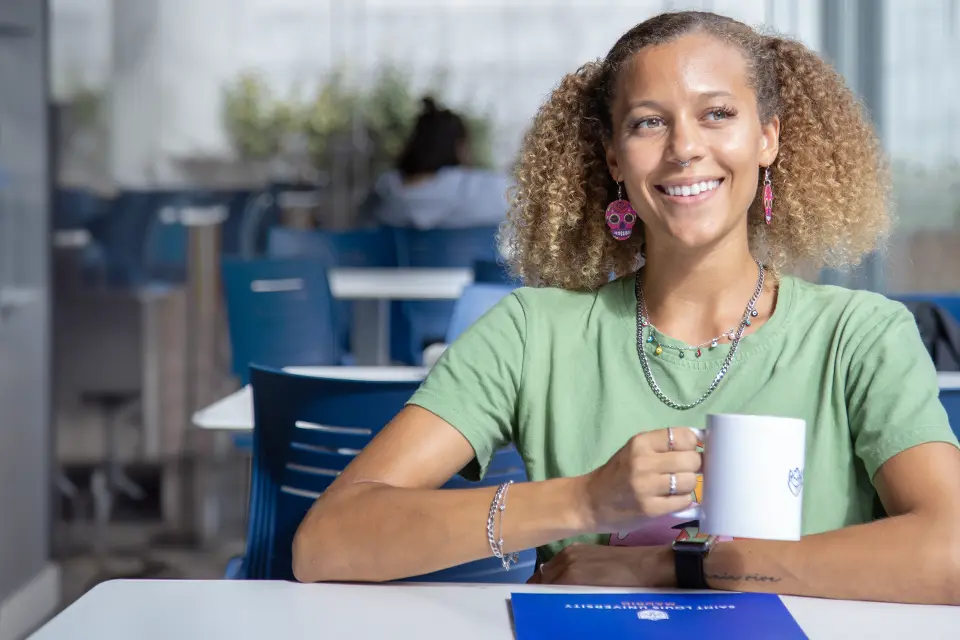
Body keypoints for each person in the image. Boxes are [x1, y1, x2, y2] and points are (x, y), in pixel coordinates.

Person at [292, 11, 960, 604]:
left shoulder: (862, 337)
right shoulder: (532, 333)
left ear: (769, 139)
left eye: (717, 113)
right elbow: (327, 542)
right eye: (648, 122)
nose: (684, 146)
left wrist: (681, 567)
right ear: (615, 157)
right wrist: (583, 499)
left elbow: (952, 554)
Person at [360, 97, 510, 230]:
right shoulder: (482, 189)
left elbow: (364, 225)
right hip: (466, 261)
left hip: (401, 262)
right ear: (459, 147)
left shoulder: (383, 191)